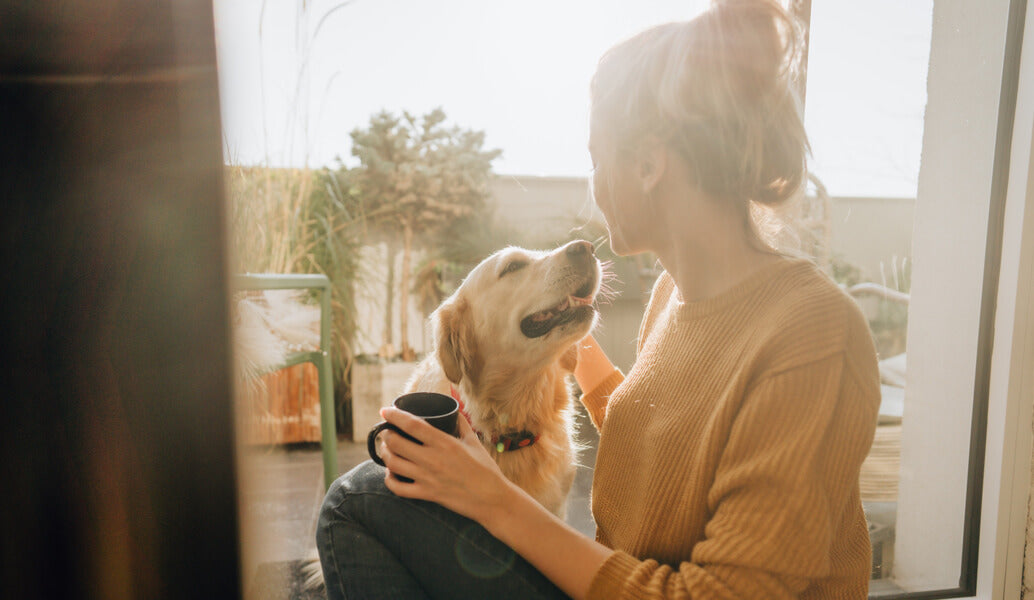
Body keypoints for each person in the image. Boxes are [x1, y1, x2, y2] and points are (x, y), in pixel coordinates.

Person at [315, 0, 880, 597]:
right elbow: (674, 446)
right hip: (618, 580)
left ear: (646, 164)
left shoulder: (812, 332)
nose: (592, 181)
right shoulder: (673, 296)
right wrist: (563, 348)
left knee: (351, 505)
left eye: (594, 156)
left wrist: (493, 498)